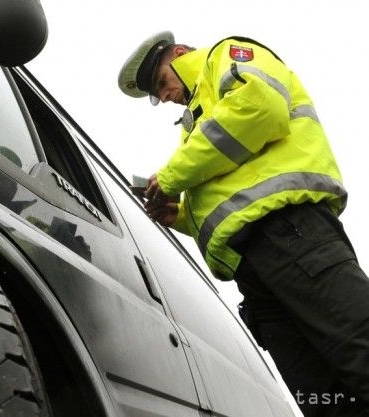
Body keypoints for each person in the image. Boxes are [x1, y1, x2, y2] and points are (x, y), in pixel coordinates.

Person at [118, 31, 369, 416]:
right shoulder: (196, 121)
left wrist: (170, 177)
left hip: (290, 232)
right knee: (322, 397)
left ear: (181, 55)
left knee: (358, 350)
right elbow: (235, 192)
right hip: (256, 265)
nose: (164, 97)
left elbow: (260, 109)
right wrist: (182, 216)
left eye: (161, 83)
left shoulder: (226, 56)